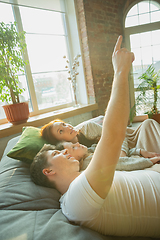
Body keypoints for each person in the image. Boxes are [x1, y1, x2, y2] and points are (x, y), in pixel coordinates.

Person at [30, 36, 160, 237]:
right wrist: (120, 70)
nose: (65, 151)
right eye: (57, 153)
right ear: (48, 171)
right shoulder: (75, 199)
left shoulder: (84, 175)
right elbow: (113, 135)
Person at [56, 141, 160, 171]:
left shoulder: (90, 151)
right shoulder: (89, 162)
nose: (77, 144)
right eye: (74, 148)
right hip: (142, 166)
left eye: (74, 143)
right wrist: (151, 161)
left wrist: (139, 151)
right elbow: (122, 163)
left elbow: (115, 151)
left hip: (140, 160)